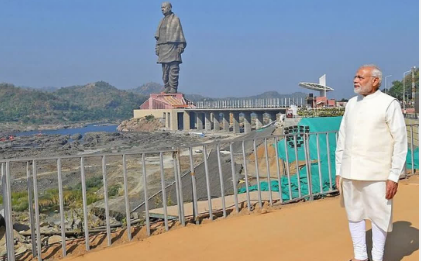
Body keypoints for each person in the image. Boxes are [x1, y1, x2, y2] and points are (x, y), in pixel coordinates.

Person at [335, 64, 407, 261]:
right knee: (354, 215)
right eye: (355, 76)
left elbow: (400, 141)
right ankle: (360, 256)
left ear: (375, 81)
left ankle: (377, 257)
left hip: (378, 174)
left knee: (379, 216)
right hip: (350, 172)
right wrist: (339, 170)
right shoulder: (351, 103)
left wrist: (393, 176)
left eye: (360, 77)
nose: (355, 80)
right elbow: (342, 138)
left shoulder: (388, 103)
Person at [155, 2, 187, 94]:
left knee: (173, 69)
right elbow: (158, 37)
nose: (162, 9)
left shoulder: (175, 19)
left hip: (173, 47)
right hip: (163, 47)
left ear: (169, 8)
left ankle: (173, 87)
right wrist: (157, 47)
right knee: (165, 70)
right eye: (161, 7)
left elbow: (179, 33)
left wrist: (180, 46)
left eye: (164, 7)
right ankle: (167, 86)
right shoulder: (161, 21)